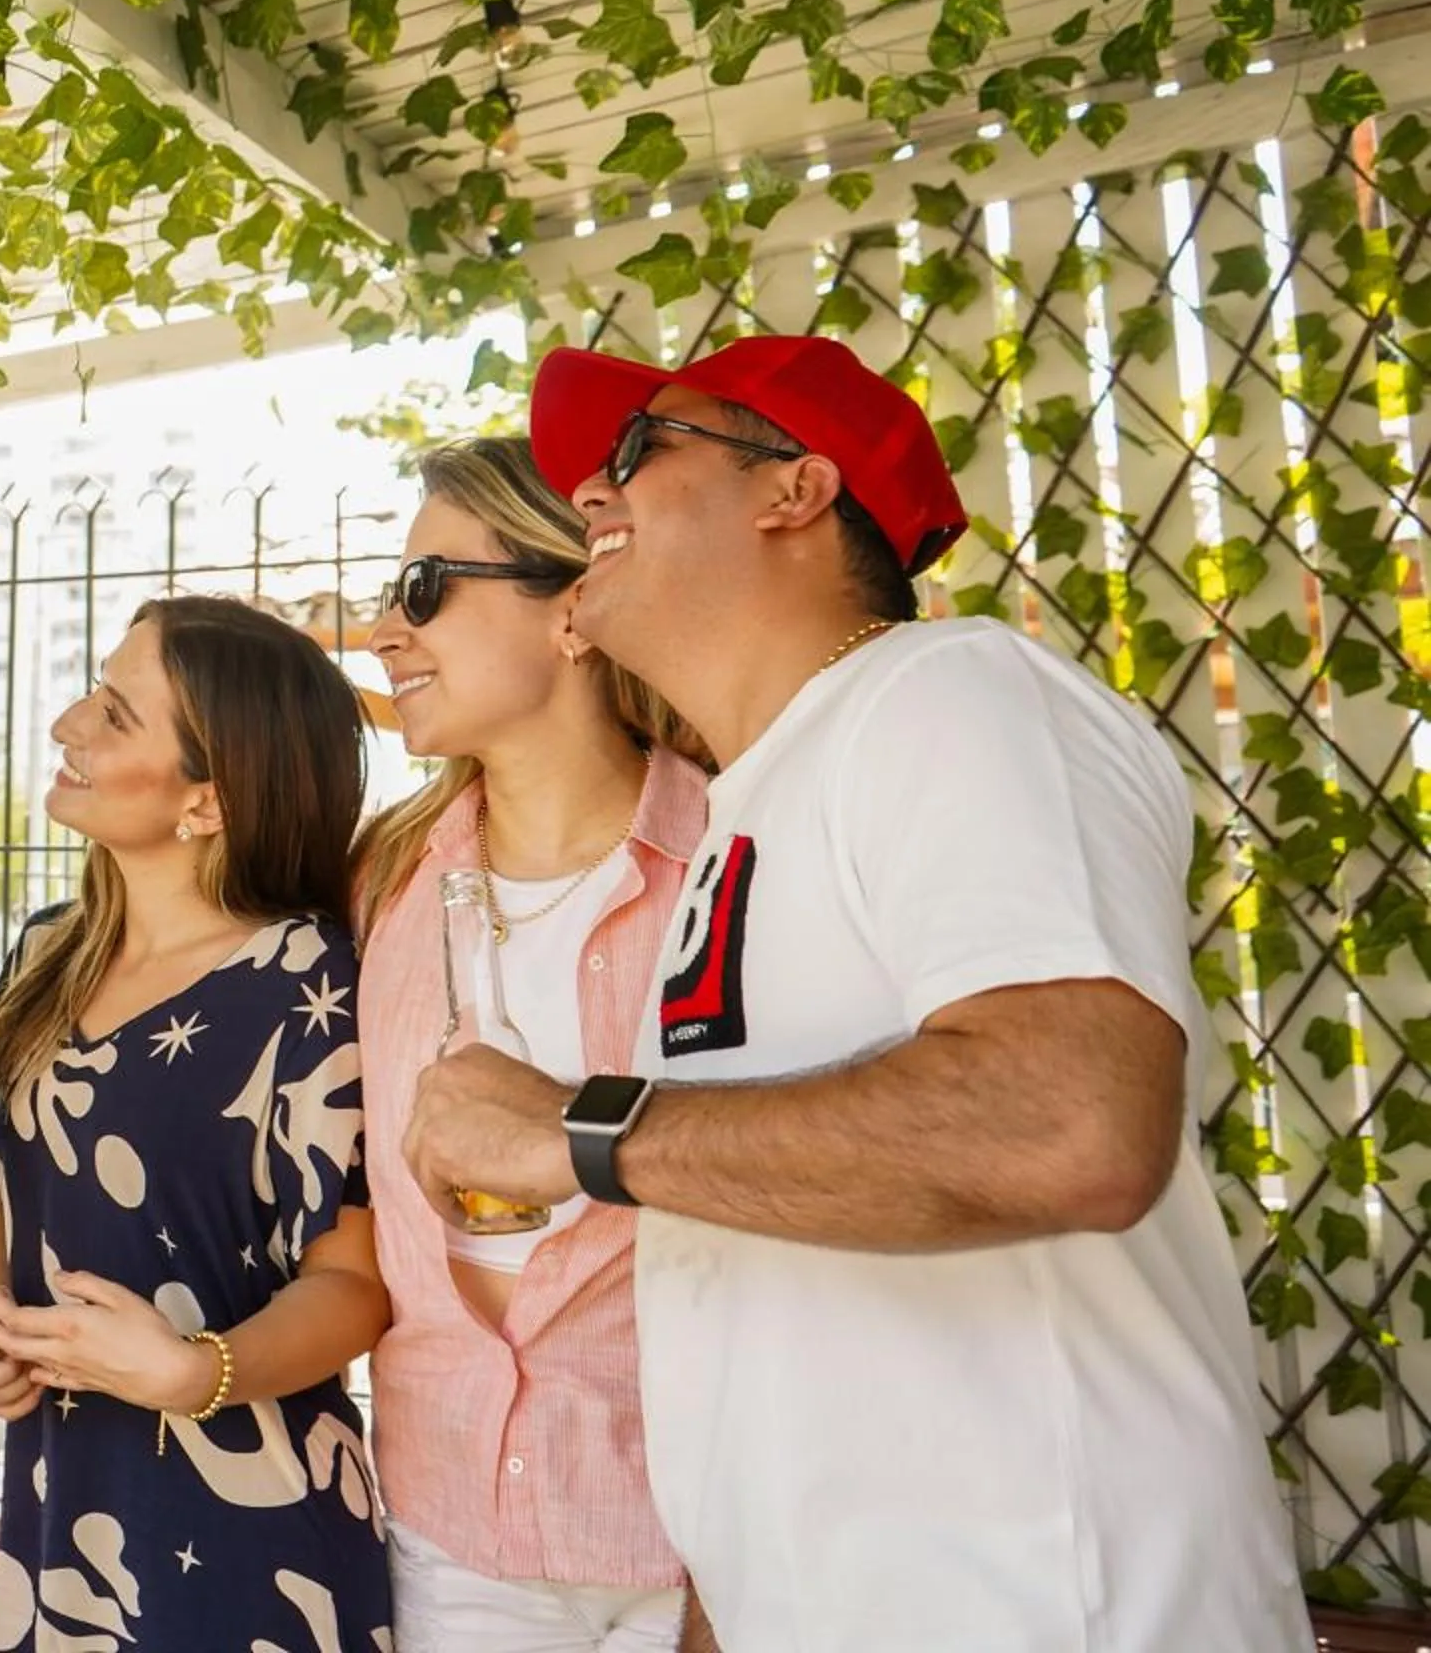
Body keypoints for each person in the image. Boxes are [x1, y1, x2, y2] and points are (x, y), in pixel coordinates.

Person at [406, 334, 1312, 1653]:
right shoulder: (742, 822)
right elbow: (751, 1274)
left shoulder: (952, 693)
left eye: (638, 453)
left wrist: (578, 1130)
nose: (591, 495)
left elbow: (1073, 1121)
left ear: (794, 490)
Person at [0, 595, 391, 1653]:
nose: (68, 724)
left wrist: (199, 1370)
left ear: (208, 799)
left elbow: (356, 1284)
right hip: (60, 1506)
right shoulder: (50, 952)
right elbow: (12, 1197)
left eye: (114, 713)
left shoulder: (311, 983)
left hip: (255, 1545)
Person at [358, 437, 704, 1652]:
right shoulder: (379, 885)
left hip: (700, 1536)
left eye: (422, 589)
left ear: (573, 612)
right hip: (453, 1527)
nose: (384, 630)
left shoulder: (738, 858)